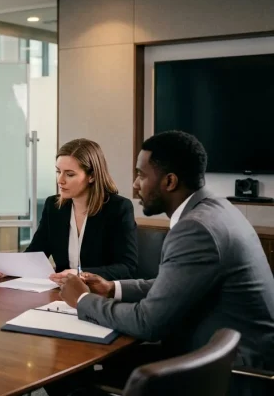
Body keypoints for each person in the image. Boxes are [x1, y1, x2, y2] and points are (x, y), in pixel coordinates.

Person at [60, 131, 274, 396]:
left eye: (141, 175)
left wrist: (82, 301)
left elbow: (148, 323)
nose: (135, 184)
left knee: (75, 385)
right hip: (214, 350)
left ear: (169, 181)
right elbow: (173, 284)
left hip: (227, 372)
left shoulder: (196, 228)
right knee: (82, 369)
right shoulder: (216, 209)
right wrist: (112, 288)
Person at [0, 138, 137, 283]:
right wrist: (7, 268)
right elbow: (36, 254)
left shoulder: (118, 208)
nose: (60, 180)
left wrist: (81, 274)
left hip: (99, 296)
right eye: (58, 171)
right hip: (61, 293)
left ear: (91, 176)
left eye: (69, 174)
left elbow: (127, 268)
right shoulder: (53, 206)